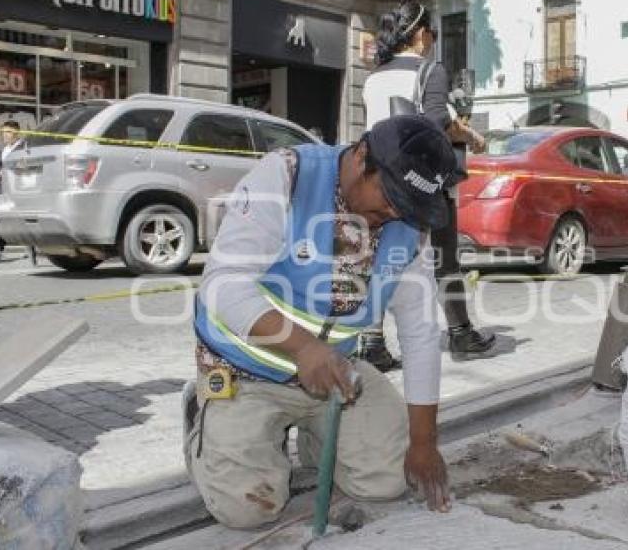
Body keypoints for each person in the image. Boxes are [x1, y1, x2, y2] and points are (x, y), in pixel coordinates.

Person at [183, 115, 455, 528]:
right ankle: (200, 414)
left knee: (387, 480)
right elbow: (221, 287)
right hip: (244, 371)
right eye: (390, 194)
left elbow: (420, 334)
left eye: (409, 205)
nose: (395, 212)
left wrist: (424, 442)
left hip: (333, 376)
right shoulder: (287, 176)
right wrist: (304, 348)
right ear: (364, 156)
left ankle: (318, 436)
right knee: (247, 509)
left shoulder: (408, 225)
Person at [360, 0, 496, 369]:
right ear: (420, 34)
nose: (433, 41)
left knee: (383, 260)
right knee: (445, 259)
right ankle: (461, 333)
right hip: (423, 182)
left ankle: (371, 343)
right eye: (432, 34)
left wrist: (462, 130)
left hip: (379, 180)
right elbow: (436, 120)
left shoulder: (374, 77)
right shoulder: (430, 70)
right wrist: (468, 137)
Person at [0, 121, 21, 262]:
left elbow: (19, 168)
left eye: (8, 132)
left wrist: (3, 174)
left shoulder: (20, 148)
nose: (5, 135)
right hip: (5, 186)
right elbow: (6, 170)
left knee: (6, 215)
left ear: (16, 133)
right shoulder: (6, 149)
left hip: (16, 188)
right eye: (3, 132)